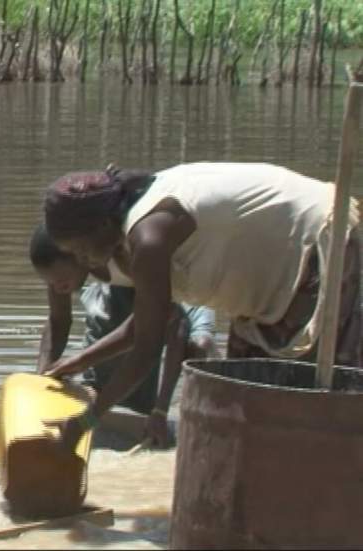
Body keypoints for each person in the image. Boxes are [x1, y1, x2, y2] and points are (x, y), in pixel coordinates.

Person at [39, 162, 361, 452]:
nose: (82, 262)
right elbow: (145, 323)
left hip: (321, 242)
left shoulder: (149, 237)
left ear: (101, 226)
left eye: (80, 250)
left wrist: (86, 422)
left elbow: (148, 346)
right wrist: (77, 362)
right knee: (250, 400)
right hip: (268, 276)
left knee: (311, 402)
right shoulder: (127, 230)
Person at [30, 224, 216, 447]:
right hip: (138, 302)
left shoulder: (133, 255)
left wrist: (161, 410)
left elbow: (168, 326)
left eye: (60, 281)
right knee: (106, 386)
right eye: (50, 283)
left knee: (197, 346)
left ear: (80, 254)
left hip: (183, 295)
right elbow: (58, 320)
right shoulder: (65, 268)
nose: (57, 288)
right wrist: (42, 376)